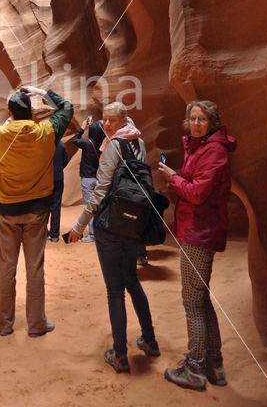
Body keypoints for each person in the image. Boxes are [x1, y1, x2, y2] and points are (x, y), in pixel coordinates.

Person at [67, 102, 159, 373]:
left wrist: (79, 225)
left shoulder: (114, 146)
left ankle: (120, 355)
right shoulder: (138, 142)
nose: (107, 125)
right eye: (104, 120)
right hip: (134, 225)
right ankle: (150, 341)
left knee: (114, 290)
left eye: (112, 120)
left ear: (123, 120)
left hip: (111, 226)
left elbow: (100, 190)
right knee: (132, 281)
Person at [159, 100, 236, 391]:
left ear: (213, 122)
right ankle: (214, 364)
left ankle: (194, 369)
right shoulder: (201, 147)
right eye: (192, 118)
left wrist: (173, 177)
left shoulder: (213, 150)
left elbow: (197, 193)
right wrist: (179, 176)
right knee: (200, 299)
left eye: (202, 119)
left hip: (199, 233)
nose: (196, 123)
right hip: (196, 229)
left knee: (192, 302)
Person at [0, 86, 73, 337]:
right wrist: (41, 91)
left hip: (8, 210)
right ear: (33, 111)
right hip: (37, 211)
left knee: (6, 268)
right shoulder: (46, 133)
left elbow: (9, 123)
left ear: (10, 112)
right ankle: (36, 324)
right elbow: (66, 108)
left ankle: (5, 324)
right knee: (34, 267)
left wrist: (17, 114)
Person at [71, 118, 105, 242]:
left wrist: (82, 128)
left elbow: (74, 140)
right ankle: (101, 232)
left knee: (89, 207)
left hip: (87, 179)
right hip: (99, 178)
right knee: (98, 206)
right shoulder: (103, 144)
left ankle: (92, 235)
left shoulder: (87, 143)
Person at [47, 140, 69, 242]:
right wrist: (59, 168)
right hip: (58, 177)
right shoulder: (61, 144)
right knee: (56, 206)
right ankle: (55, 235)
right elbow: (66, 160)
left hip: (45, 179)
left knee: (44, 206)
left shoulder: (43, 144)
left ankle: (43, 232)